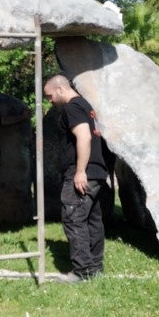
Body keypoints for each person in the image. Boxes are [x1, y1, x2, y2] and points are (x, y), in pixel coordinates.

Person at [42, 74, 109, 282]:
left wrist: (80, 171)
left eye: (50, 95)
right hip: (96, 172)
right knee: (92, 219)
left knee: (74, 217)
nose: (50, 100)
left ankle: (83, 272)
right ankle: (95, 267)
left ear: (60, 89)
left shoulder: (72, 107)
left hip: (82, 173)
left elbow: (84, 136)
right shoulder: (84, 104)